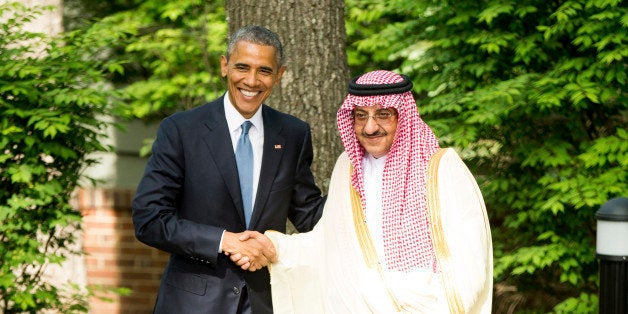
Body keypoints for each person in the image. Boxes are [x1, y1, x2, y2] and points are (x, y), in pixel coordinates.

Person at [236, 70, 493, 313]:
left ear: (403, 117)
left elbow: (470, 264)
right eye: (360, 115)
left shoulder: (441, 168)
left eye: (383, 114)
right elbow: (329, 245)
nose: (370, 128)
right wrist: (274, 248)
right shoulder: (347, 167)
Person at [131, 25, 325, 314]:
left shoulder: (293, 134)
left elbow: (310, 215)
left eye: (264, 71)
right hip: (193, 303)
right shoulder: (182, 130)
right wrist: (225, 241)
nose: (251, 80)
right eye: (242, 67)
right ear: (225, 66)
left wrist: (364, 198)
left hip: (266, 302)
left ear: (279, 75)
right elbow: (150, 219)